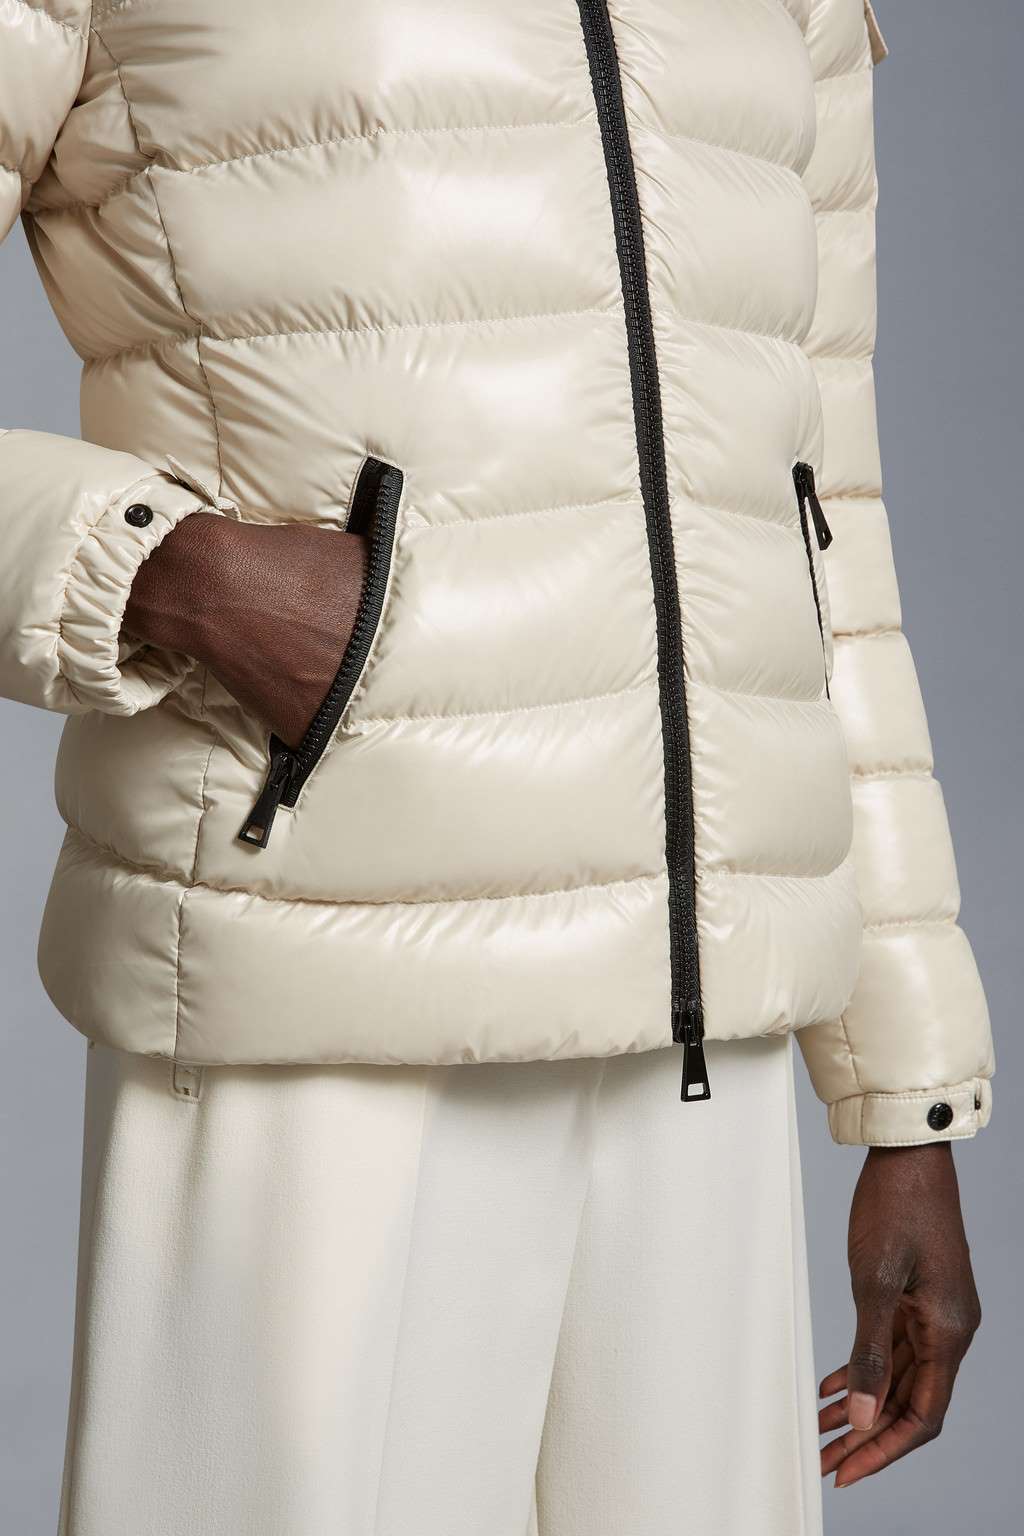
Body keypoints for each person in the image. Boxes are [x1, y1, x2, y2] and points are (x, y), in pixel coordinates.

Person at [0, 2, 994, 1533]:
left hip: (700, 1039)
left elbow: (824, 524)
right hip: (317, 995)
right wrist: (159, 573)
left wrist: (906, 1099)